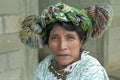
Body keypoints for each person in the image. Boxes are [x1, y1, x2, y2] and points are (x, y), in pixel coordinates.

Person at [19, 3, 113, 80]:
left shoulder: (91, 71)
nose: (62, 46)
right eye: (55, 38)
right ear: (48, 40)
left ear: (81, 40)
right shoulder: (44, 66)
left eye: (70, 37)